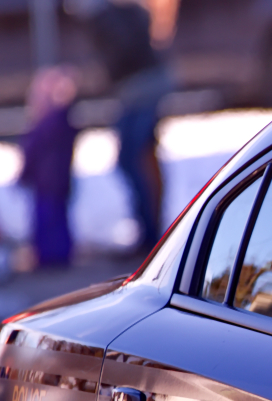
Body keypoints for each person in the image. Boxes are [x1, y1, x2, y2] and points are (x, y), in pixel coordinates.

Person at [72, 0, 174, 254]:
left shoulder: (105, 20)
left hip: (141, 89)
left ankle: (150, 232)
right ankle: (149, 230)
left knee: (132, 159)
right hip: (141, 87)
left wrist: (107, 76)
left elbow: (124, 52)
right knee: (138, 158)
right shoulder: (114, 15)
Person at [19, 67, 79, 267]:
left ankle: (51, 256)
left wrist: (25, 173)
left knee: (49, 220)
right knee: (54, 219)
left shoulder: (48, 124)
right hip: (56, 180)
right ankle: (56, 255)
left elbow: (32, 154)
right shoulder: (60, 123)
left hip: (48, 180)